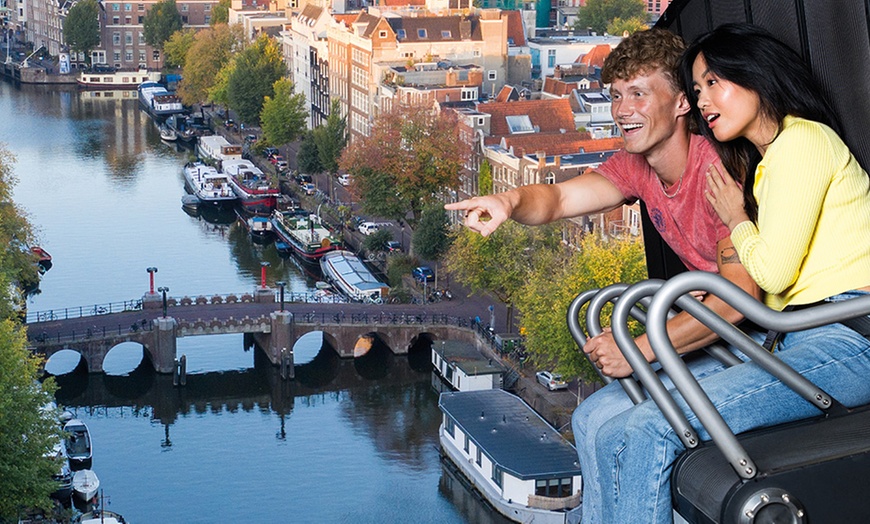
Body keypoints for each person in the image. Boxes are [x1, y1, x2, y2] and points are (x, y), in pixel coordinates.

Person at [445, 28, 760, 523]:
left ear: (682, 103)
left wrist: (640, 349)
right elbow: (561, 199)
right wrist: (507, 200)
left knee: (632, 432)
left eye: (638, 93)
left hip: (755, 342)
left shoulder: (715, 171)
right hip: (715, 339)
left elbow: (742, 295)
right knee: (589, 418)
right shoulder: (638, 166)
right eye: (616, 95)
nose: (621, 109)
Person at [593, 23, 870, 523]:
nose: (703, 101)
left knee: (653, 427)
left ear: (756, 78)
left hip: (849, 342)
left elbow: (774, 274)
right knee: (614, 428)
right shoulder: (767, 163)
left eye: (715, 83)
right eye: (697, 90)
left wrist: (736, 217)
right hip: (806, 339)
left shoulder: (803, 143)